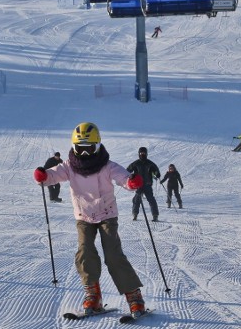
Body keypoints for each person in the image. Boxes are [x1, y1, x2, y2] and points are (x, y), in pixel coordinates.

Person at [33, 122, 148, 317]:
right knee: (85, 252)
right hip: (83, 216)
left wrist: (131, 181)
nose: (84, 154)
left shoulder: (107, 166)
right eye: (80, 149)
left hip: (107, 216)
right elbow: (54, 175)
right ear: (73, 147)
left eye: (89, 149)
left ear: (97, 146)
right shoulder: (70, 166)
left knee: (113, 255)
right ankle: (93, 295)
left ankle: (134, 296)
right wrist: (43, 176)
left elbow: (123, 177)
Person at [127, 147, 161, 222]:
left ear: (146, 154)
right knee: (136, 200)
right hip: (138, 184)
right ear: (139, 154)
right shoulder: (135, 163)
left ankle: (155, 215)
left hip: (147, 184)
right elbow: (128, 170)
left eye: (144, 153)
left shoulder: (150, 163)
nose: (142, 154)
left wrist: (157, 174)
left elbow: (156, 171)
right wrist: (129, 175)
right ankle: (135, 214)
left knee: (151, 199)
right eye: (141, 153)